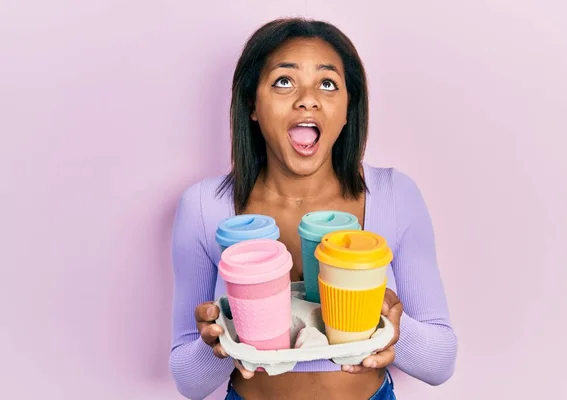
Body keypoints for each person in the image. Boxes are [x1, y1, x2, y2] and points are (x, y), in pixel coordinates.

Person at [169, 17, 457, 400]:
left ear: (347, 108)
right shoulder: (205, 207)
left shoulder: (393, 195)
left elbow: (440, 363)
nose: (308, 98)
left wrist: (379, 322)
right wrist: (225, 337)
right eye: (284, 81)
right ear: (252, 104)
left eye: (327, 83)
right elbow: (188, 383)